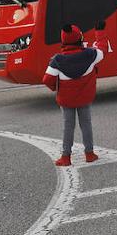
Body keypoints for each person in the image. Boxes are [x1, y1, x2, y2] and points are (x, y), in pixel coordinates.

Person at [42, 24, 103, 166]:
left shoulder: (57, 60)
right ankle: (89, 154)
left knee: (68, 127)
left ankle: (66, 157)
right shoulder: (90, 54)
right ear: (79, 38)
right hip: (84, 99)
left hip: (66, 100)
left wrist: (56, 88)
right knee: (86, 124)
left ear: (63, 41)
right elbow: (103, 49)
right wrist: (100, 31)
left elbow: (47, 79)